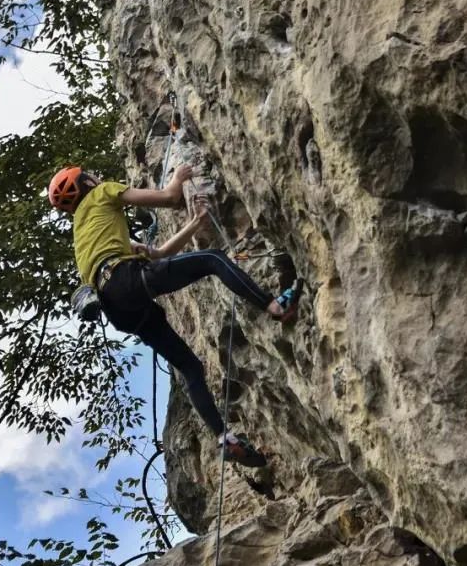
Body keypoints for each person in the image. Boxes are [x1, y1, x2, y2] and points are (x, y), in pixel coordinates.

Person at [48, 165, 302, 467]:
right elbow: (169, 198)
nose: (97, 176)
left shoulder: (87, 237)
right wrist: (178, 178)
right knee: (213, 258)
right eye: (92, 175)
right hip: (126, 277)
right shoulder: (104, 192)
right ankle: (276, 306)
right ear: (88, 181)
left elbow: (160, 254)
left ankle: (224, 437)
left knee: (190, 367)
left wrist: (195, 224)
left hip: (118, 307)